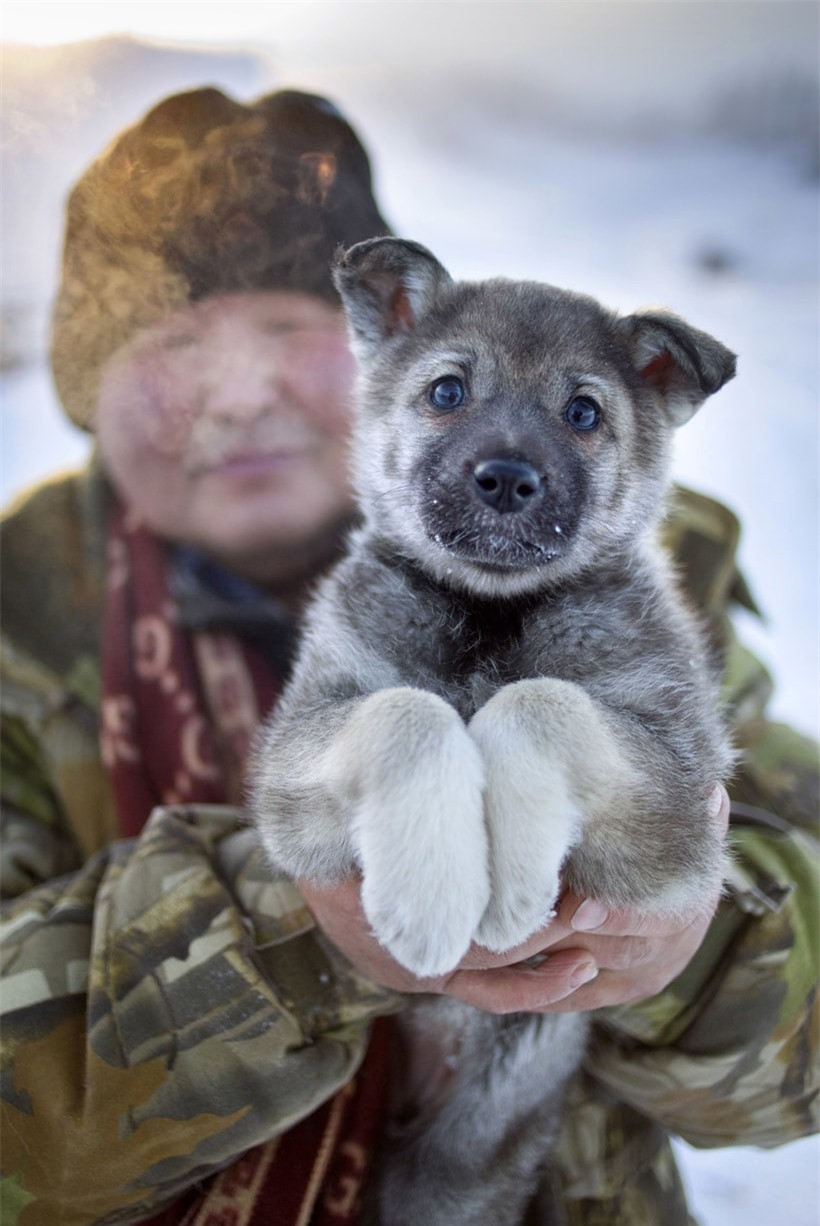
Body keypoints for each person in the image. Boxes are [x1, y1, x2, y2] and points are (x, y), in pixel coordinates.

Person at [0, 86, 816, 1226]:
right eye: (176, 340)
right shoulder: (16, 631)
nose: (238, 395)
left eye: (284, 330)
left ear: (363, 340)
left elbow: (802, 1055)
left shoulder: (661, 583)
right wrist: (295, 923)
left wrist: (683, 930)